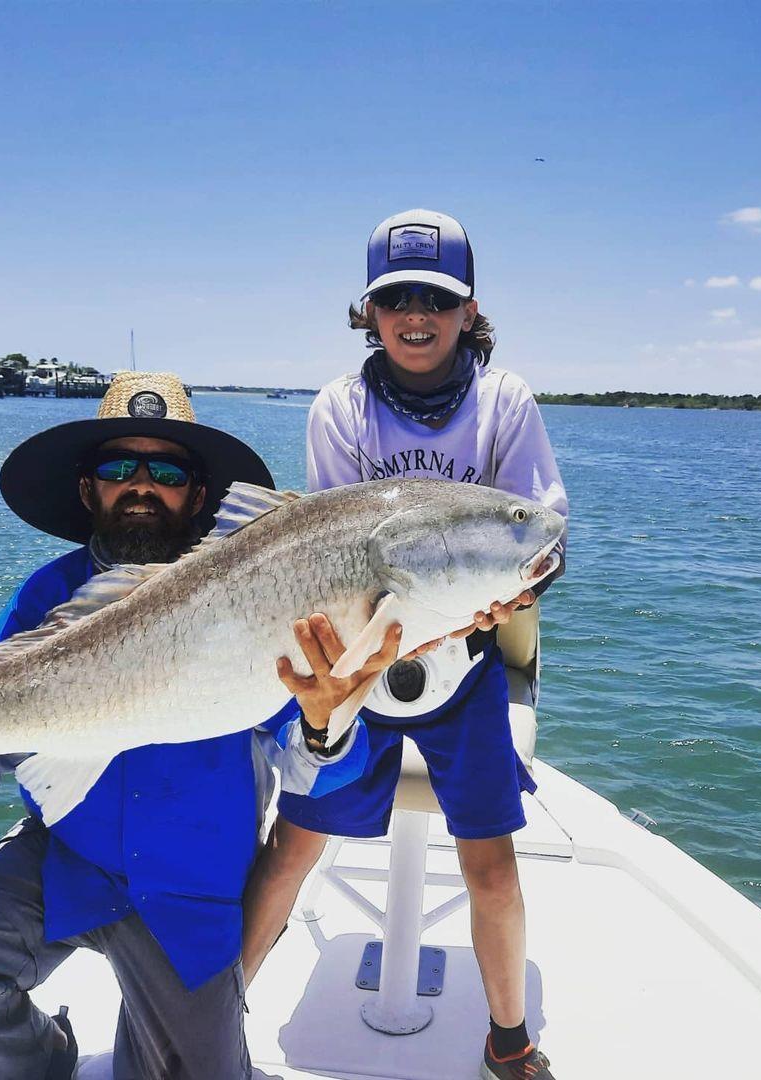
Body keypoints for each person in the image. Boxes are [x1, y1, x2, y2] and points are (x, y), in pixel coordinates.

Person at [0, 371, 400, 1080]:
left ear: (198, 495)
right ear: (90, 489)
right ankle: (46, 1060)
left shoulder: (272, 593)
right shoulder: (47, 595)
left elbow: (319, 771)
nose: (142, 485)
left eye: (168, 470)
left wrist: (326, 719)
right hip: (63, 855)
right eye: (120, 467)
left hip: (190, 886)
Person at [247, 210, 568, 1080]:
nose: (414, 314)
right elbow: (333, 554)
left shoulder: (506, 401)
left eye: (436, 297)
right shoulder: (339, 410)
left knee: (491, 867)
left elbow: (543, 534)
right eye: (395, 298)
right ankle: (213, 1016)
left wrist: (506, 596)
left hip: (463, 670)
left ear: (469, 312)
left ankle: (510, 1040)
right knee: (292, 846)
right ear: (370, 312)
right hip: (356, 668)